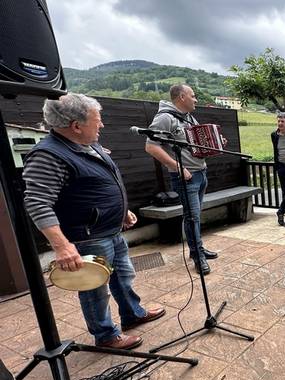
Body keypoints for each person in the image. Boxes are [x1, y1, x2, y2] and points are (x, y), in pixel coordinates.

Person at [23, 94, 165, 350]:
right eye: (97, 121)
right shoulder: (48, 155)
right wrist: (62, 246)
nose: (101, 125)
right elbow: (37, 202)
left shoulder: (88, 145)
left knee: (123, 276)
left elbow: (103, 184)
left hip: (111, 229)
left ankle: (133, 313)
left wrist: (122, 211)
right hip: (88, 236)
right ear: (76, 125)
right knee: (94, 289)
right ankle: (106, 335)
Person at [145, 84, 217, 275]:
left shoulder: (190, 118)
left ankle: (198, 248)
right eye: (193, 96)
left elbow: (195, 145)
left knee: (196, 216)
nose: (196, 99)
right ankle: (197, 256)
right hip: (186, 177)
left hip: (201, 173)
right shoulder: (164, 118)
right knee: (192, 217)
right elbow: (151, 147)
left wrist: (215, 144)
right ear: (182, 97)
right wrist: (177, 167)